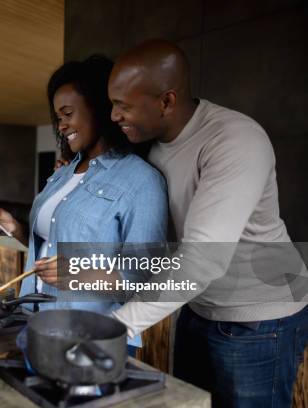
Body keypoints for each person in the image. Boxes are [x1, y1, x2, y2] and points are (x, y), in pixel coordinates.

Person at [107, 39, 308, 407]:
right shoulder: (150, 144)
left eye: (123, 106)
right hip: (199, 308)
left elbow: (203, 258)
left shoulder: (234, 140)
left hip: (260, 319)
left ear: (166, 101)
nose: (114, 116)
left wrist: (119, 325)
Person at [0, 55, 168, 353]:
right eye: (58, 118)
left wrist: (80, 274)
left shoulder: (141, 181)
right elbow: (51, 245)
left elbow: (146, 278)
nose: (61, 126)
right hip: (34, 322)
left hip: (93, 339)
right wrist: (16, 229)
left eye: (67, 114)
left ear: (99, 107)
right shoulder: (63, 173)